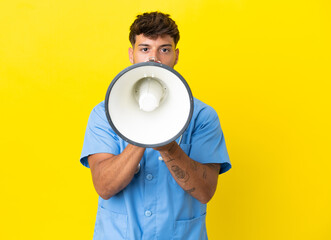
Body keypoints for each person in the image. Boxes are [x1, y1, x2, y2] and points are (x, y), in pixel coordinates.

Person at [80, 11, 231, 240]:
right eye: (145, 48)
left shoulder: (203, 116)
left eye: (164, 49)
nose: (154, 58)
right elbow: (104, 186)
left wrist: (168, 146)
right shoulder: (103, 114)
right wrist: (142, 132)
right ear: (132, 54)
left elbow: (205, 191)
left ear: (176, 55)